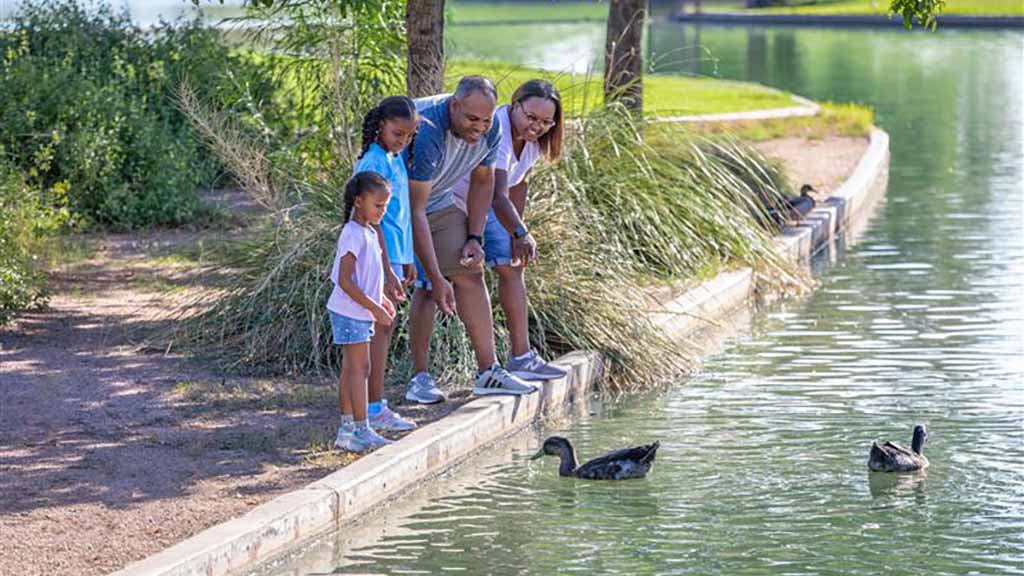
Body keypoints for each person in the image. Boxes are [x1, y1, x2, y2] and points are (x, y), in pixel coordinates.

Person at [403, 75, 538, 403]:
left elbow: (482, 183)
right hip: (393, 208)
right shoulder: (428, 133)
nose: (479, 126)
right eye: (471, 118)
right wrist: (436, 275)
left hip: (437, 200)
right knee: (424, 285)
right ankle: (419, 379)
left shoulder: (490, 128)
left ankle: (488, 372)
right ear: (453, 106)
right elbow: (414, 210)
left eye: (486, 119)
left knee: (470, 270)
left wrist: (474, 238)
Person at [450, 79, 565, 381]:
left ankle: (522, 358)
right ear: (515, 105)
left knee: (513, 267)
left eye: (546, 121)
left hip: (491, 202)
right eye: (531, 117)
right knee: (467, 275)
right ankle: (486, 368)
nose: (537, 126)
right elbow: (498, 192)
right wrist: (520, 232)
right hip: (457, 200)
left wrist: (517, 231)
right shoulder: (498, 129)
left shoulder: (535, 140)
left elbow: (519, 183)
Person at [353, 96, 419, 433]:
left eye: (409, 136)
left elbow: (400, 215)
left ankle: (373, 404)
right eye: (398, 133)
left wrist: (406, 259)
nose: (403, 141)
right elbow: (371, 221)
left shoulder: (394, 158)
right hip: (377, 258)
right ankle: (372, 406)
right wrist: (389, 269)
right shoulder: (373, 163)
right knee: (377, 330)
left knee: (384, 329)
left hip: (395, 256)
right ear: (381, 125)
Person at [329, 171, 397, 453]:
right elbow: (345, 280)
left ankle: (348, 429)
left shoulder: (368, 232)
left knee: (352, 368)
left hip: (359, 311)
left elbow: (366, 276)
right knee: (360, 369)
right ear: (359, 201)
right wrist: (374, 308)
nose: (382, 211)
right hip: (350, 312)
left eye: (385, 206)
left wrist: (381, 298)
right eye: (377, 206)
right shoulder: (352, 233)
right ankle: (360, 428)